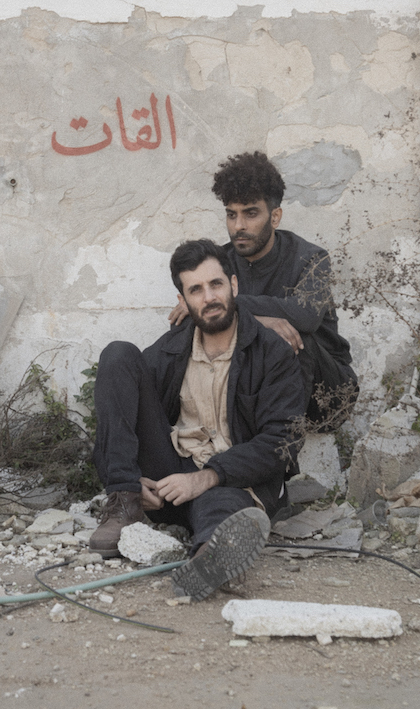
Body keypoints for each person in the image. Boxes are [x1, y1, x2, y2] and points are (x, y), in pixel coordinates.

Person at [91, 239, 307, 600]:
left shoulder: (271, 352)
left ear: (234, 286)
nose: (209, 297)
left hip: (233, 479)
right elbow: (121, 418)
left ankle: (209, 560)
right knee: (118, 356)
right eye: (196, 290)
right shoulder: (169, 350)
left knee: (221, 507)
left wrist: (207, 477)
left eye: (216, 284)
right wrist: (130, 481)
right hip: (169, 482)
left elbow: (283, 441)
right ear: (183, 301)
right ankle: (123, 505)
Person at [171, 151, 358, 431]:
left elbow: (304, 316)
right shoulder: (220, 263)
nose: (239, 226)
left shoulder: (312, 259)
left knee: (290, 337)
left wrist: (230, 304)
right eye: (231, 215)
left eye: (251, 213)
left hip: (325, 391)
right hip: (253, 392)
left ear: (275, 216)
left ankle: (282, 444)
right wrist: (257, 319)